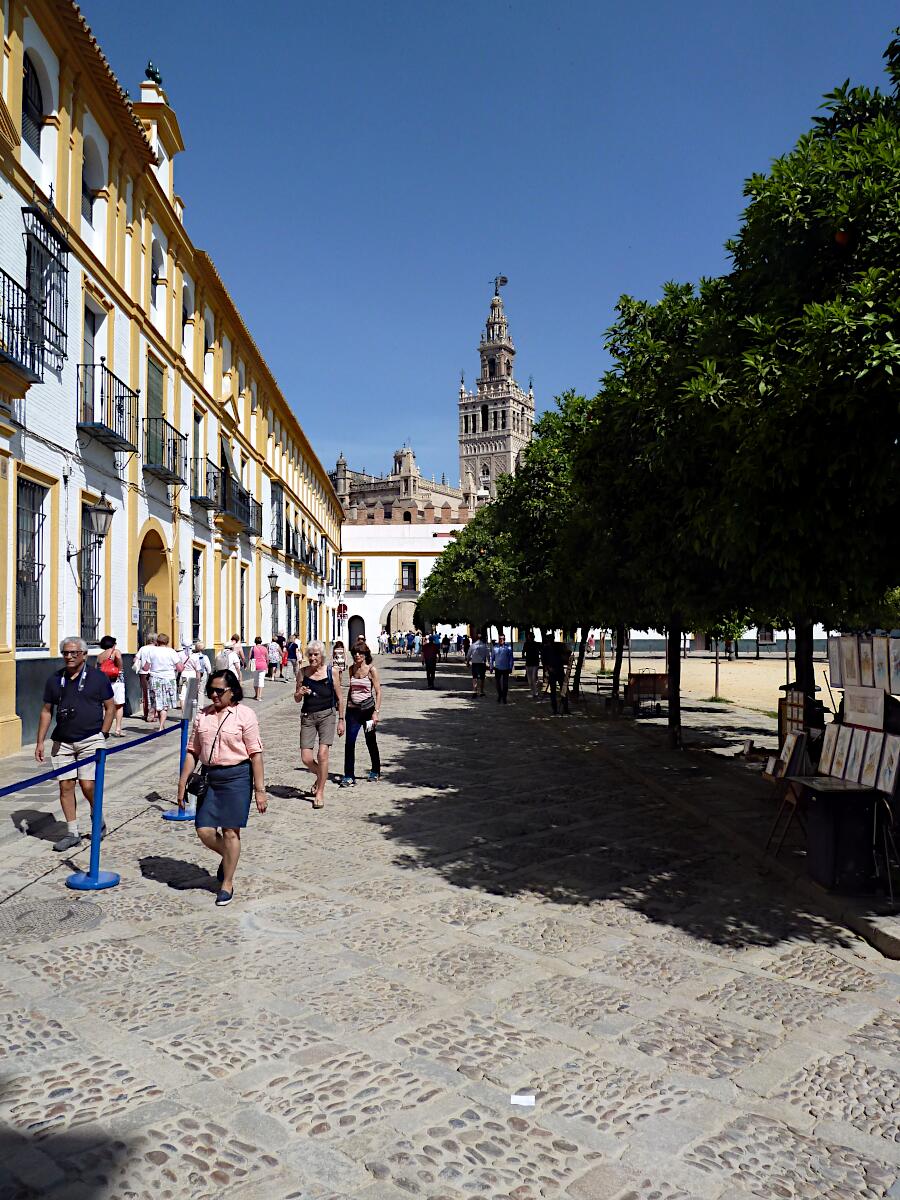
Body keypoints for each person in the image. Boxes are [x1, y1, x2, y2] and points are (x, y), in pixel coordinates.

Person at [177, 669, 266, 907]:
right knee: (204, 830)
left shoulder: (245, 715)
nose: (214, 695)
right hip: (210, 778)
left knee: (230, 832)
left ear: (232, 691)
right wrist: (182, 781)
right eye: (211, 690)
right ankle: (229, 856)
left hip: (237, 778)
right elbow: (192, 750)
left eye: (219, 691)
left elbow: (255, 754)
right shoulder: (203, 716)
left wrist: (260, 790)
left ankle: (227, 882)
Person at [35, 636, 116, 852]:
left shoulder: (98, 678)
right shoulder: (55, 679)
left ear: (84, 655)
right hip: (62, 741)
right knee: (65, 785)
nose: (69, 657)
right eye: (65, 653)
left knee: (88, 784)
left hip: (91, 738)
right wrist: (40, 741)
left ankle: (96, 815)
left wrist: (104, 734)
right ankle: (72, 832)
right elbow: (46, 711)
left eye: (74, 653)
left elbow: (110, 707)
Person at [296, 639, 343, 808]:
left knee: (322, 754)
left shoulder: (332, 672)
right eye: (310, 654)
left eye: (316, 654)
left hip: (327, 715)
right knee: (306, 758)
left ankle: (320, 792)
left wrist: (341, 720)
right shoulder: (302, 672)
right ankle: (321, 775)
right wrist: (300, 693)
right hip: (308, 716)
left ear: (322, 656)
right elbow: (296, 698)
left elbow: (340, 697)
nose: (312, 657)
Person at [340, 641, 382, 786]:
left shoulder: (372, 670)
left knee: (370, 740)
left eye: (360, 653)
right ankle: (349, 776)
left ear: (365, 655)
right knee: (349, 743)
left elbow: (378, 692)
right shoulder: (351, 669)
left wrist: (376, 713)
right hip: (353, 712)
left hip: (368, 712)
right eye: (355, 653)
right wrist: (344, 712)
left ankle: (375, 770)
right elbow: (351, 690)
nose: (357, 655)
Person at [146, 633, 182, 730]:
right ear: (167, 642)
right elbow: (179, 668)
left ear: (157, 641)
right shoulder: (171, 652)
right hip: (168, 679)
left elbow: (146, 667)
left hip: (155, 678)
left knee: (158, 702)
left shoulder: (152, 651)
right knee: (165, 704)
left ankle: (161, 724)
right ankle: (161, 726)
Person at [97, 635, 125, 736]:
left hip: (105, 681)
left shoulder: (100, 656)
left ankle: (104, 728)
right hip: (117, 680)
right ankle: (118, 729)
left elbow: (97, 668)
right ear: (113, 644)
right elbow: (120, 662)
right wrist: (120, 668)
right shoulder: (115, 652)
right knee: (119, 705)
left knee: (106, 706)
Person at [541, 636, 571, 715]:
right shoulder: (545, 648)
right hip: (552, 672)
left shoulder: (559, 646)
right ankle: (555, 709)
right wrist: (548, 669)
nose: (551, 641)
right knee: (553, 691)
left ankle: (565, 708)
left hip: (560, 671)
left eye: (552, 639)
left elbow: (566, 654)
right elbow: (544, 661)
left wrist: (567, 656)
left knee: (564, 689)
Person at [179, 640, 211, 713]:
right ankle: (193, 711)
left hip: (183, 675)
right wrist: (198, 681)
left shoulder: (179, 655)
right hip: (193, 675)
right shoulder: (196, 657)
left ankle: (184, 712)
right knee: (193, 694)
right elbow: (198, 670)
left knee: (182, 695)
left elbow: (177, 667)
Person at [133, 631, 157, 722]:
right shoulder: (157, 649)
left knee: (145, 693)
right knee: (154, 693)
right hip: (154, 673)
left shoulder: (142, 648)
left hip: (143, 673)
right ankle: (152, 714)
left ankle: (146, 713)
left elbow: (135, 658)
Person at [491, 632, 514, 704]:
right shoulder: (495, 648)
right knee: (497, 683)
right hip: (497, 668)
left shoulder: (508, 647)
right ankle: (500, 695)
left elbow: (511, 658)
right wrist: (491, 667)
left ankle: (504, 697)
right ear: (498, 639)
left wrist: (511, 667)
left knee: (505, 684)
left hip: (506, 668)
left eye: (503, 639)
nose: (501, 640)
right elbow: (492, 658)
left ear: (505, 639)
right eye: (500, 639)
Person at [523, 631, 542, 699]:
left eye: (531, 636)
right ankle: (532, 692)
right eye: (529, 637)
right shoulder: (526, 644)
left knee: (534, 678)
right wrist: (524, 656)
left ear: (533, 637)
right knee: (530, 680)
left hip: (535, 663)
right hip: (528, 663)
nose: (530, 638)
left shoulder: (537, 644)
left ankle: (536, 692)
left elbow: (541, 651)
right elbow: (523, 652)